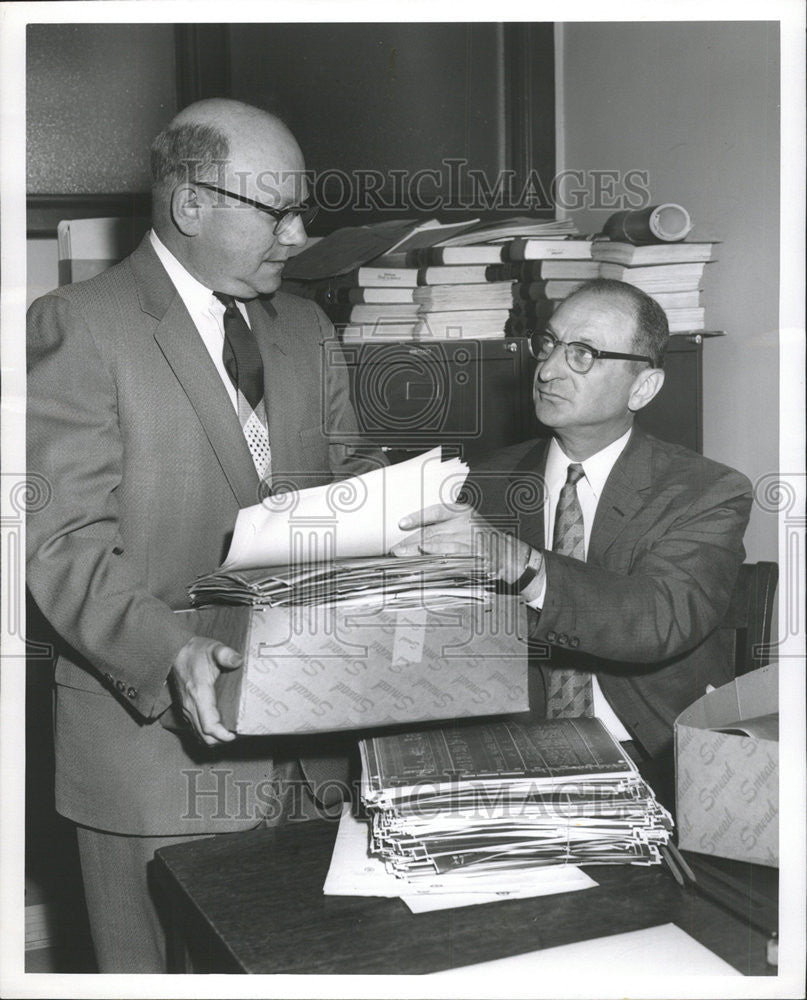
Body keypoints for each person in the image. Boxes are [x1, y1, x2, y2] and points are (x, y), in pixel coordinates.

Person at [26, 99, 384, 972]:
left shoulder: (305, 327)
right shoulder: (78, 324)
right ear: (192, 204)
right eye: (278, 211)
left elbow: (344, 487)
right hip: (153, 761)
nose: (299, 234)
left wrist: (409, 509)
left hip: (312, 755)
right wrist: (170, 656)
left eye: (303, 209)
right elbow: (61, 544)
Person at [393, 278, 752, 787]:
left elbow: (660, 617)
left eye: (582, 352)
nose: (547, 368)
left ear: (642, 386)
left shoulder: (707, 490)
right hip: (504, 752)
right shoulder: (474, 485)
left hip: (654, 757)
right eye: (549, 344)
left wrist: (524, 565)